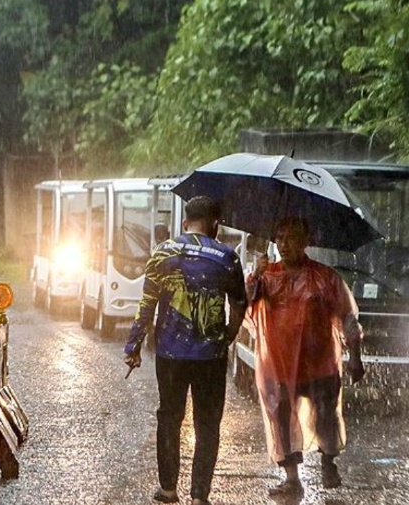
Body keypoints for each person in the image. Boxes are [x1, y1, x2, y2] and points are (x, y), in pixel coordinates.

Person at [124, 196, 247, 505]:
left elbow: (147, 305)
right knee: (207, 424)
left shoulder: (162, 252)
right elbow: (240, 302)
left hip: (170, 354)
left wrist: (133, 347)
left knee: (169, 418)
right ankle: (199, 496)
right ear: (215, 224)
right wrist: (228, 334)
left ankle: (167, 489)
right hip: (211, 356)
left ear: (184, 222)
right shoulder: (227, 257)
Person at [247, 216, 365, 495]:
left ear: (305, 241)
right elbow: (245, 302)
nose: (284, 244)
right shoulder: (267, 276)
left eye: (291, 238)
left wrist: (355, 356)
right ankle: (291, 477)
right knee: (282, 417)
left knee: (325, 416)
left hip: (319, 363)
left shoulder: (325, 277)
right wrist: (255, 274)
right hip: (280, 364)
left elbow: (348, 317)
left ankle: (328, 460)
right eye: (279, 238)